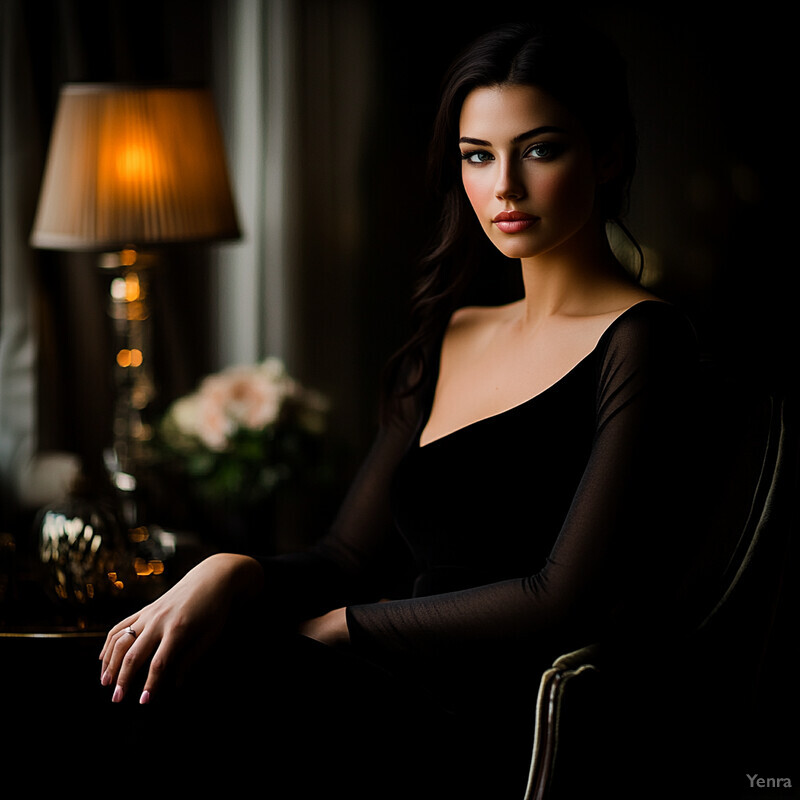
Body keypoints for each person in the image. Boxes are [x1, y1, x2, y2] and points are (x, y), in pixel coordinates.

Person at [98, 18, 700, 797]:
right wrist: (230, 571)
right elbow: (347, 559)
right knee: (161, 669)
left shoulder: (645, 341)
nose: (504, 187)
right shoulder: (449, 333)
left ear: (608, 153)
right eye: (478, 156)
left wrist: (347, 626)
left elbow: (562, 596)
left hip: (492, 715)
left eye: (540, 149)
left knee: (206, 695)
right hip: (381, 678)